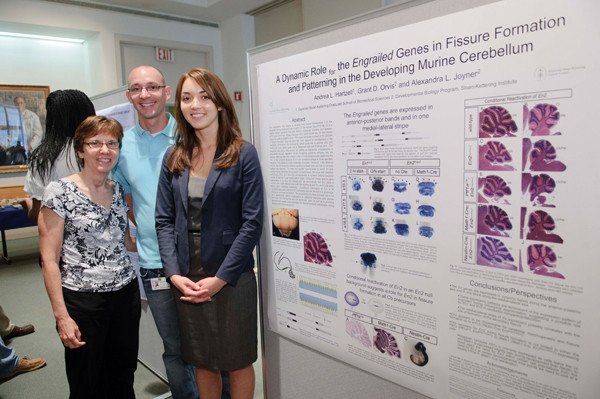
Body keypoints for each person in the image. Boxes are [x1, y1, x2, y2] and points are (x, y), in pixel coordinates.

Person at [155, 68, 264, 399]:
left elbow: (252, 221)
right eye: (187, 98)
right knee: (202, 360)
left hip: (231, 276)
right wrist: (174, 274)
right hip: (188, 274)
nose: (195, 105)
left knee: (237, 361)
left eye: (204, 96)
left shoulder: (242, 153)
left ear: (219, 103)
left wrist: (220, 279)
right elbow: (163, 220)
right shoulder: (175, 156)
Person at [111, 65, 202, 399]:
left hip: (199, 259)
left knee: (210, 345)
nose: (144, 95)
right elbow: (129, 197)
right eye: (136, 88)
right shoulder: (122, 147)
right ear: (129, 96)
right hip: (154, 262)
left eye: (152, 87)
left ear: (167, 93)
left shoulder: (192, 133)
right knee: (174, 348)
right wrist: (143, 232)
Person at [38, 115, 140, 398]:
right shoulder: (59, 192)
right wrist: (62, 316)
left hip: (124, 295)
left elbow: (125, 243)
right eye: (95, 143)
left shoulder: (118, 191)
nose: (104, 150)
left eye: (111, 143)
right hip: (84, 301)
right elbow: (49, 260)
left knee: (122, 373)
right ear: (80, 149)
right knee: (87, 379)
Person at [23, 89, 96, 223]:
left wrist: (27, 204)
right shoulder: (101, 149)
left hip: (59, 237)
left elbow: (38, 215)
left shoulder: (42, 158)